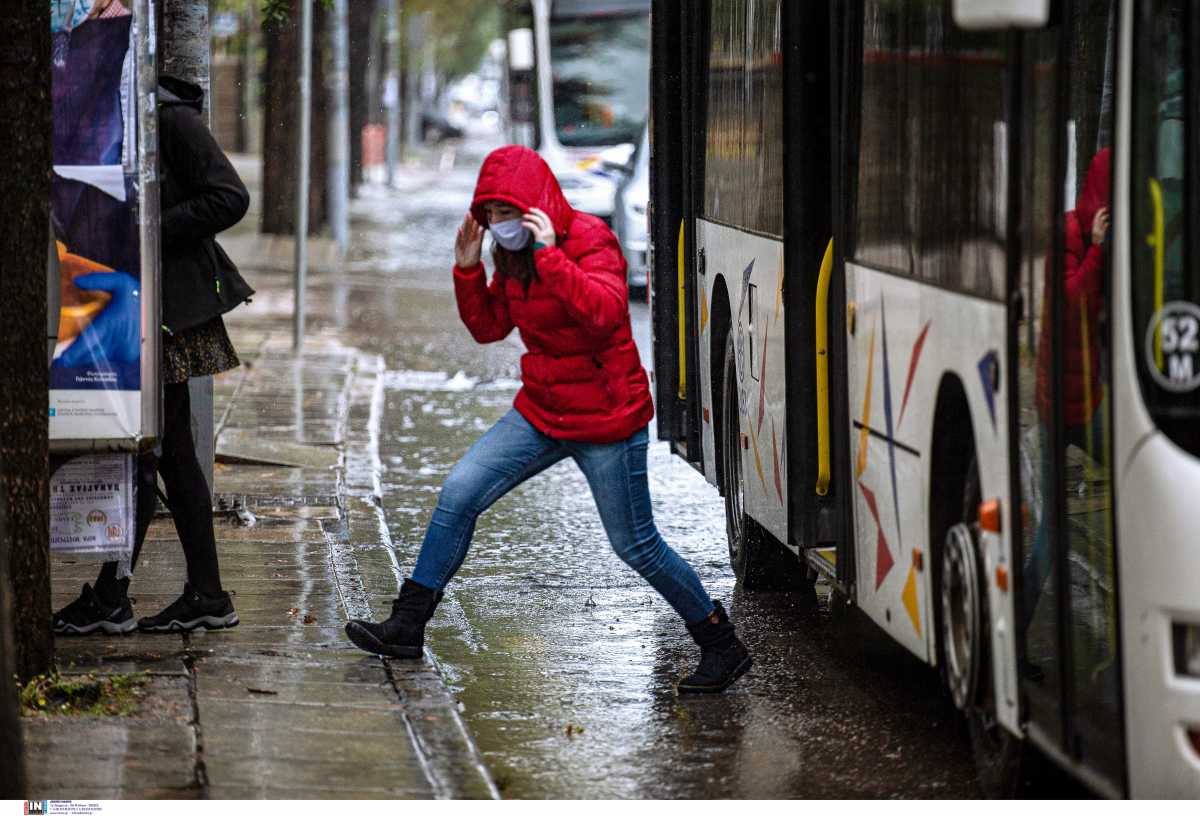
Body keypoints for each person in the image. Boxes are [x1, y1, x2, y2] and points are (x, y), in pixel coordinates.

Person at [345, 145, 752, 694]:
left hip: (607, 415)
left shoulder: (589, 239)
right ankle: (407, 625)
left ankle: (720, 644)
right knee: (459, 492)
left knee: (635, 545)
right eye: (490, 215)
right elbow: (490, 328)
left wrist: (551, 255)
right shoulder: (506, 255)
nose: (499, 225)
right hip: (543, 408)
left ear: (535, 208)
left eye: (508, 213)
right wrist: (467, 270)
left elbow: (607, 317)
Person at [52, 75, 253, 635]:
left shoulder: (166, 117)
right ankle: (200, 594)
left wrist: (148, 231)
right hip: (122, 301)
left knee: (151, 446)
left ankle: (121, 595)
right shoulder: (98, 120)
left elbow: (229, 196)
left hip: (166, 311)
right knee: (167, 450)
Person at [1024, 148, 1110, 627]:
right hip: (1058, 409)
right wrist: (1098, 248)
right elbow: (1072, 304)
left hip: (1089, 402)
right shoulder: (1069, 236)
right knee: (1050, 534)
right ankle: (1016, 630)